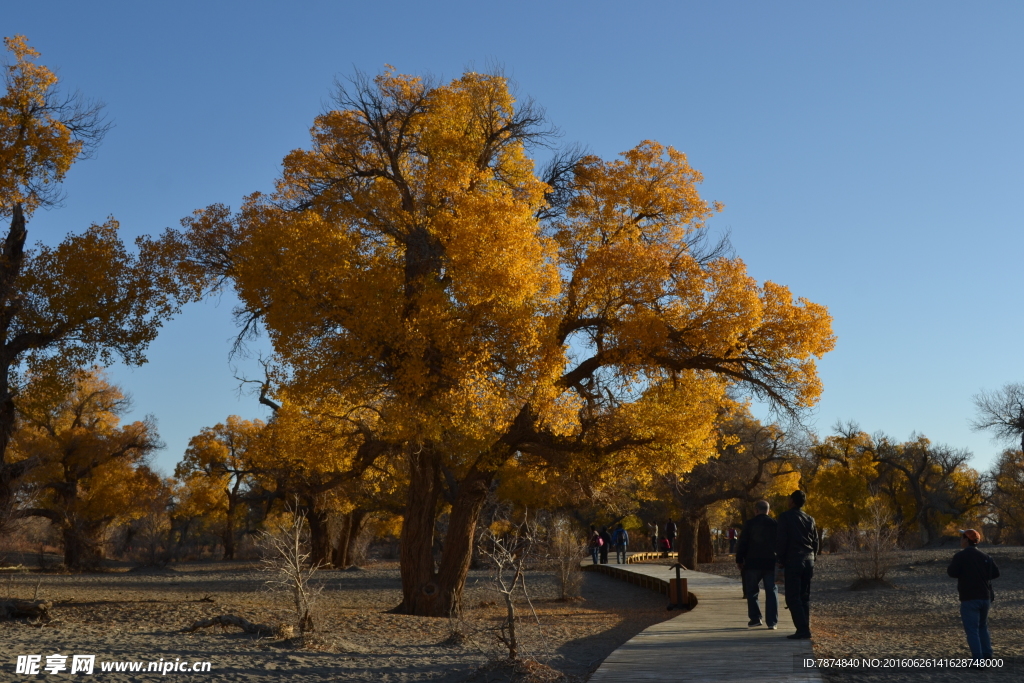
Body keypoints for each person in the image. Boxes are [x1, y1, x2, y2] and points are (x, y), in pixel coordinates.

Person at [947, 529, 1000, 661]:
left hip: (969, 597)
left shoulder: (960, 556)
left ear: (966, 540)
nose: (960, 540)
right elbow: (995, 573)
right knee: (982, 626)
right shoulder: (986, 557)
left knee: (972, 630)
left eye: (962, 538)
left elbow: (952, 572)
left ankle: (978, 659)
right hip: (985, 597)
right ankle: (987, 655)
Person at [776, 490, 819, 640]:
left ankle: (802, 629)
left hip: (793, 559)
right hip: (809, 560)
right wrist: (814, 557)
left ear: (792, 501)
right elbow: (815, 541)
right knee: (804, 596)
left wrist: (780, 558)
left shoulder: (785, 517)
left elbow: (782, 539)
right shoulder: (810, 519)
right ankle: (804, 627)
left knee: (792, 597)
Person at [736, 500, 778, 629]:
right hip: (770, 562)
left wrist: (739, 559)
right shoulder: (774, 524)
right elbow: (781, 543)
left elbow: (742, 543)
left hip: (753, 562)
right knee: (771, 591)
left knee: (752, 591)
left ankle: (755, 618)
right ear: (768, 511)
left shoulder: (749, 524)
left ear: (756, 510)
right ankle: (772, 622)